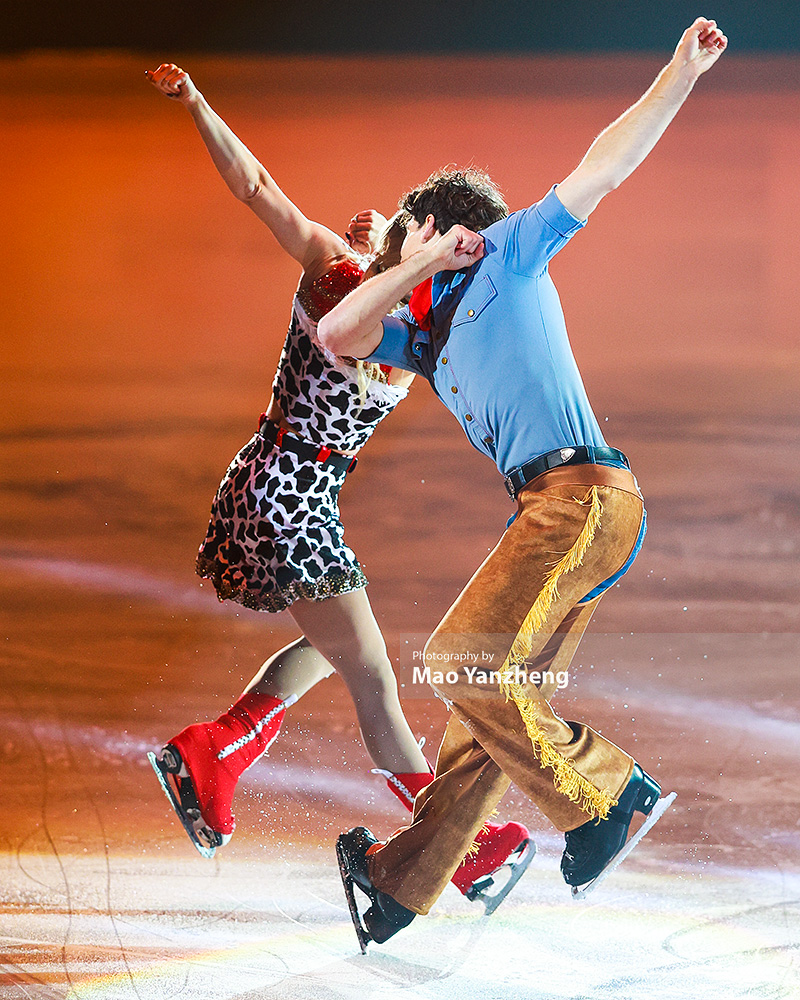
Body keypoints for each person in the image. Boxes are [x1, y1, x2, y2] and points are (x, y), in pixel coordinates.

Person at [318, 18, 728, 948]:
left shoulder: (511, 250)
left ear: (446, 225)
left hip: (583, 499)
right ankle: (397, 886)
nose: (393, 260)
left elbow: (605, 164)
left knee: (466, 661)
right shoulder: (421, 336)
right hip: (560, 509)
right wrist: (420, 260)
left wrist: (678, 71)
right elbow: (335, 335)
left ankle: (612, 798)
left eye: (407, 239)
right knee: (487, 705)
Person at [143, 64, 534, 911]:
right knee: (372, 676)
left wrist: (416, 257)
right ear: (430, 233)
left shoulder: (408, 312)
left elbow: (413, 307)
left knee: (338, 647)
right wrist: (200, 104)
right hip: (282, 491)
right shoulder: (338, 273)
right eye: (451, 250)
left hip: (294, 494)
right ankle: (454, 848)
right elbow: (257, 188)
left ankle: (214, 751)